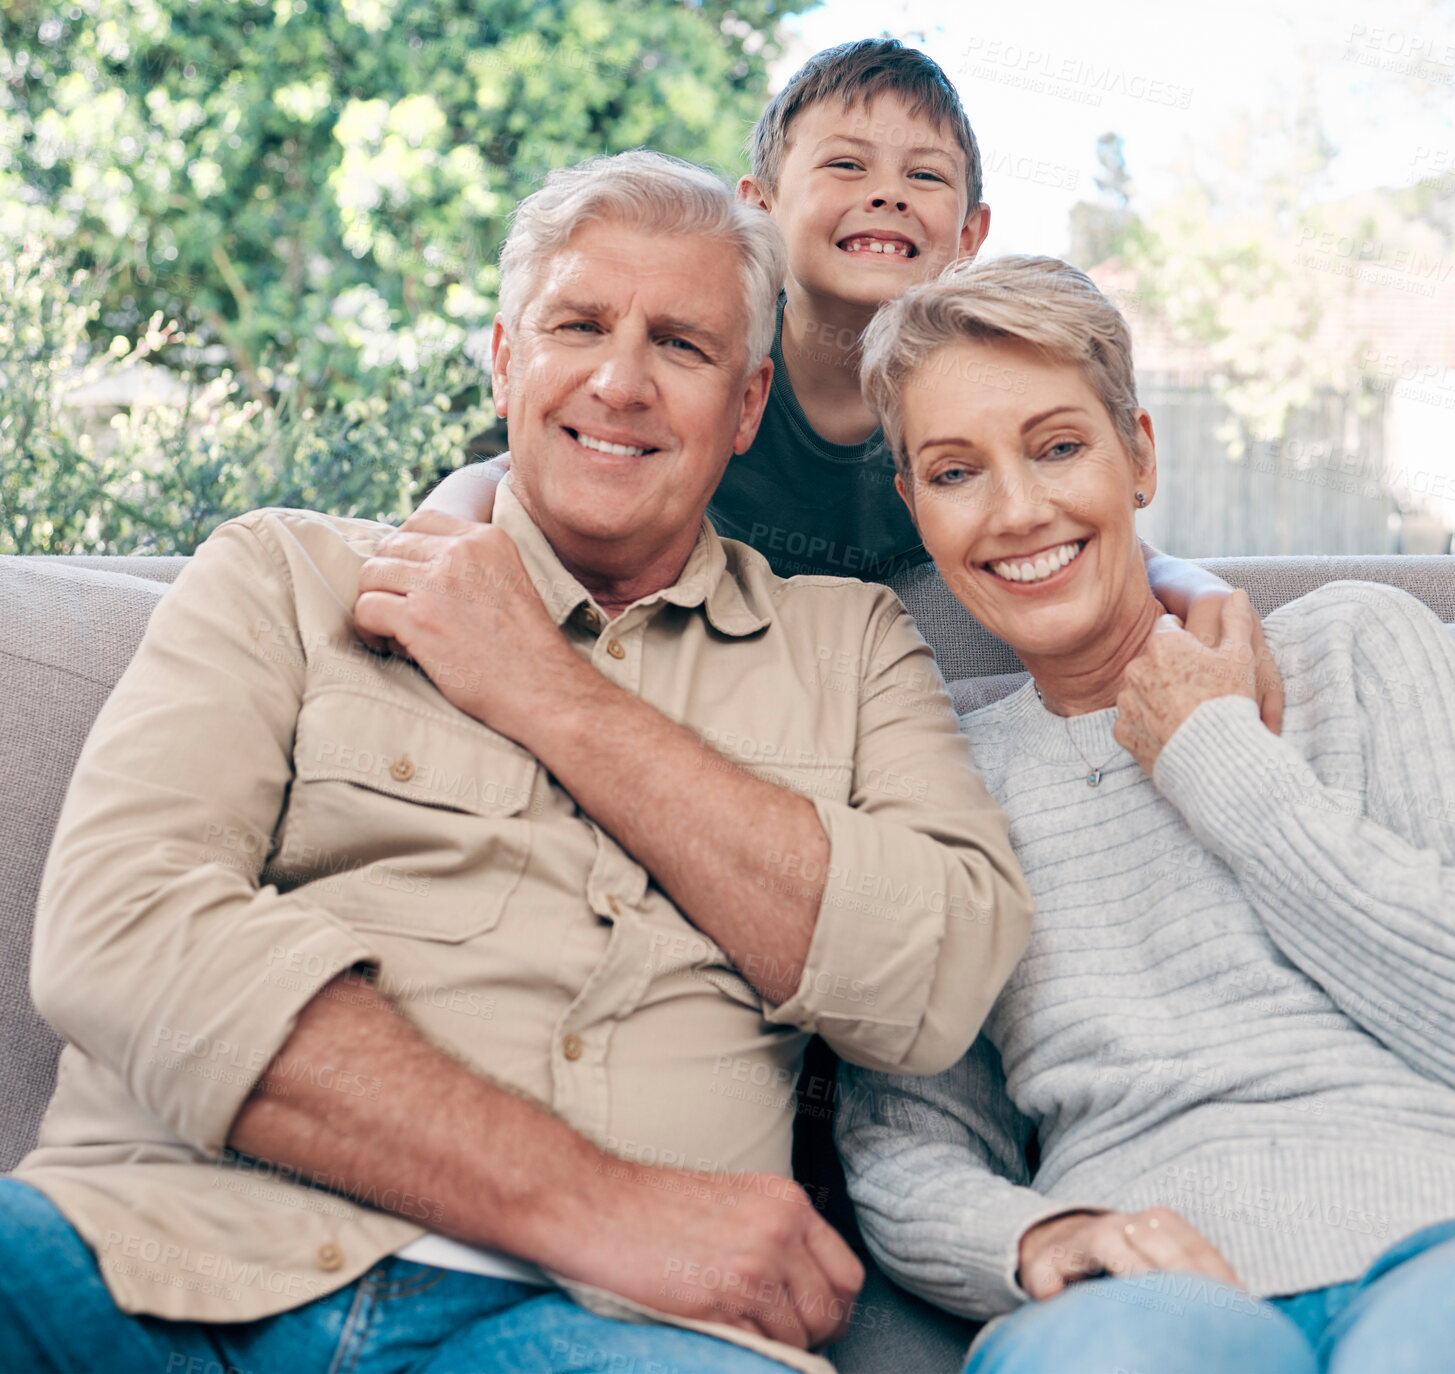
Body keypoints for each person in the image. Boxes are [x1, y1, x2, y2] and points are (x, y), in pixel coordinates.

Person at [2, 153, 1036, 1374]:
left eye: (683, 347)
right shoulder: (283, 575)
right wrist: (597, 1207)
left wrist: (548, 692)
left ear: (749, 406)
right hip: (145, 1257)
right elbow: (122, 930)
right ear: (505, 360)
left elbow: (938, 975)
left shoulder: (850, 648)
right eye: (579, 325)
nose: (620, 380)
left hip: (606, 1341)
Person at [836, 255, 1455, 1373]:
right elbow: (904, 1142)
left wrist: (1214, 758)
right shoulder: (937, 779)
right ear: (914, 507)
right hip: (1142, 1296)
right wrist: (1039, 1234)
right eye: (956, 470)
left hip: (1431, 1236)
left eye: (1059, 446)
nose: (1019, 509)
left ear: (1141, 456)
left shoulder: (1361, 645)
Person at [412, 39, 1259, 662]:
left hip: (839, 671)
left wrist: (1188, 582)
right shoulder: (702, 356)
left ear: (968, 234)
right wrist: (448, 513)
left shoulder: (962, 391)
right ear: (760, 208)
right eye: (846, 166)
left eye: (924, 178)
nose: (887, 193)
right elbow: (528, 466)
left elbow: (1054, 503)